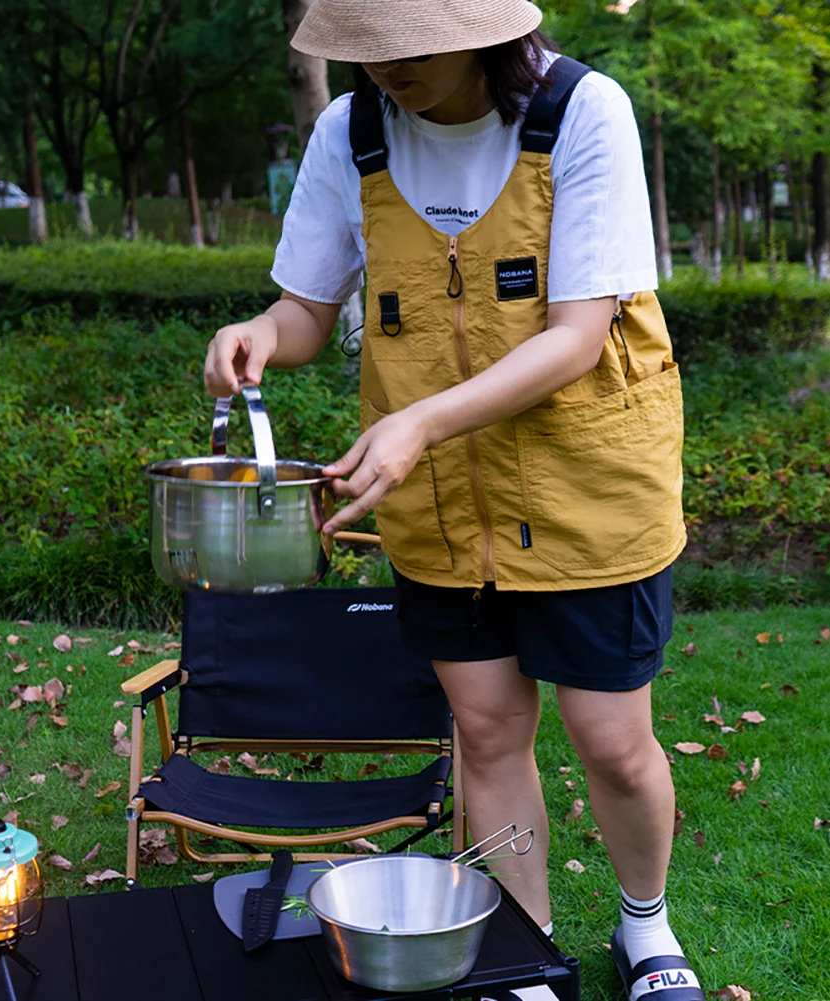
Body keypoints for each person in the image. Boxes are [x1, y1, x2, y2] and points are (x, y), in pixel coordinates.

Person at [204, 2, 700, 998]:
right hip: (434, 499)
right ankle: (523, 947)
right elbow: (308, 305)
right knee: (482, 732)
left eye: (409, 52)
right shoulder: (347, 135)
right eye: (367, 56)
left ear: (481, 31)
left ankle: (644, 924)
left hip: (586, 490)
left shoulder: (580, 111)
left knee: (610, 738)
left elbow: (574, 334)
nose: (386, 76)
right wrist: (260, 328)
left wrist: (420, 420)